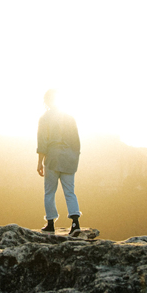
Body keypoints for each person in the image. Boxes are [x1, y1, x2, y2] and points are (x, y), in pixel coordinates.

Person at [36, 89, 82, 234]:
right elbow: (76, 140)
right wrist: (74, 156)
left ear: (47, 101)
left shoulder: (44, 118)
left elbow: (42, 141)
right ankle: (75, 224)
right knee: (70, 191)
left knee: (49, 191)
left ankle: (50, 224)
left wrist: (39, 162)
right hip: (69, 158)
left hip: (53, 158)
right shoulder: (69, 117)